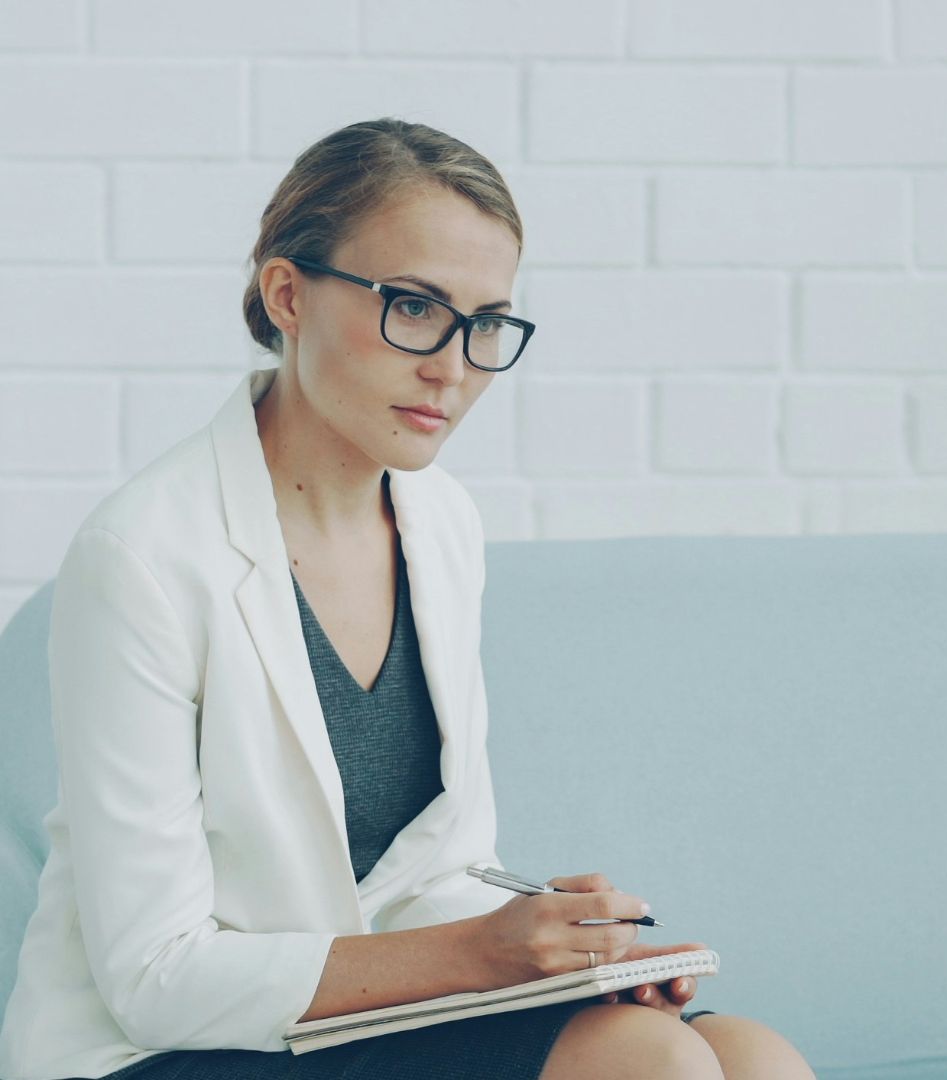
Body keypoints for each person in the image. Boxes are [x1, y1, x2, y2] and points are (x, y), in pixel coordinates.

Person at [0, 119, 813, 1080]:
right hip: (161, 1048)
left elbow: (432, 873)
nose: (454, 365)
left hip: (357, 1018)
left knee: (748, 1055)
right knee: (651, 1063)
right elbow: (155, 976)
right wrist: (480, 956)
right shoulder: (140, 557)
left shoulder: (440, 521)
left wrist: (555, 951)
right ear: (287, 293)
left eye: (487, 323)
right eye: (417, 308)